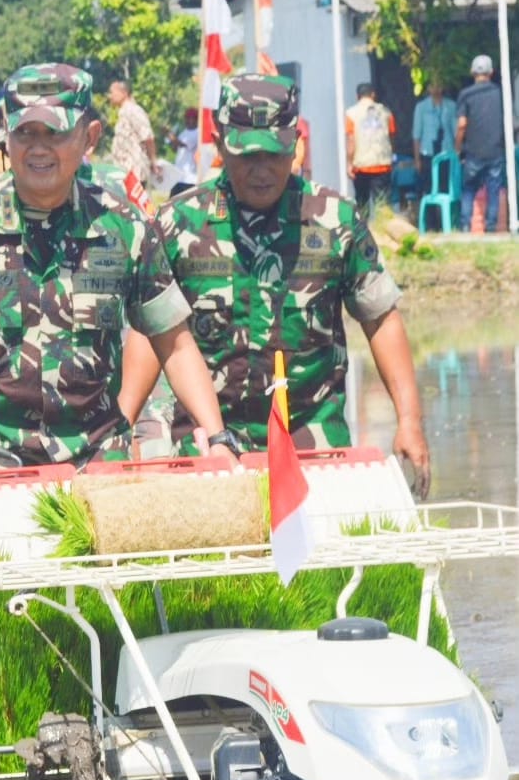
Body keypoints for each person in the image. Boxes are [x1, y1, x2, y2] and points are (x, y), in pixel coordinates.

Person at [0, 62, 232, 481]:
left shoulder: (125, 227)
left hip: (95, 472)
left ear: (89, 137)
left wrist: (218, 439)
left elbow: (174, 345)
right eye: (25, 133)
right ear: (6, 136)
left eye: (55, 133)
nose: (38, 148)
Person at [124, 73, 430, 497]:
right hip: (207, 440)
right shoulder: (178, 224)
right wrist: (123, 427)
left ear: (295, 145)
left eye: (275, 154)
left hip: (310, 436)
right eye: (248, 156)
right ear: (220, 144)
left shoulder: (334, 221)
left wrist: (409, 420)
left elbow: (380, 319)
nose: (263, 170)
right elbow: (154, 330)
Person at [456, 55, 506, 233]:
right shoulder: (500, 93)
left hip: (473, 151)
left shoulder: (466, 95)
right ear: (491, 72)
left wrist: (457, 147)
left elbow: (462, 124)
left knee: (469, 188)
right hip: (495, 150)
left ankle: (465, 225)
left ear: (472, 72)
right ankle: (491, 226)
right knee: (494, 188)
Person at [345, 82, 395, 211]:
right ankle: (385, 224)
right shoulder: (386, 112)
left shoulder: (351, 114)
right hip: (382, 164)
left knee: (362, 203)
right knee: (383, 204)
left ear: (358, 96)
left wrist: (349, 163)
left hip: (361, 166)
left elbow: (351, 141)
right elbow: (391, 136)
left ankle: (362, 224)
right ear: (373, 95)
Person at [411, 81, 458, 198]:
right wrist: (417, 159)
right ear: (428, 88)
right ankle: (431, 210)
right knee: (429, 189)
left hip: (446, 152)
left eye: (438, 85)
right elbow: (416, 135)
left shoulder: (451, 106)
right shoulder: (421, 107)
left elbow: (456, 132)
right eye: (432, 86)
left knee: (446, 187)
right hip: (427, 153)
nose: (436, 89)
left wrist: (457, 154)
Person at [108, 79, 156, 185]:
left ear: (124, 93)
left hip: (134, 172)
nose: (110, 96)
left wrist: (153, 162)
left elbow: (148, 137)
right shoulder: (123, 113)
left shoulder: (133, 110)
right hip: (124, 172)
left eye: (112, 92)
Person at [164, 107, 200, 195]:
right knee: (173, 201)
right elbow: (175, 148)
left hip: (189, 178)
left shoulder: (197, 133)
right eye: (186, 118)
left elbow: (182, 144)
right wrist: (169, 139)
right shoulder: (184, 132)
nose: (187, 121)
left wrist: (169, 134)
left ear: (196, 119)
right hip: (178, 177)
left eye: (190, 118)